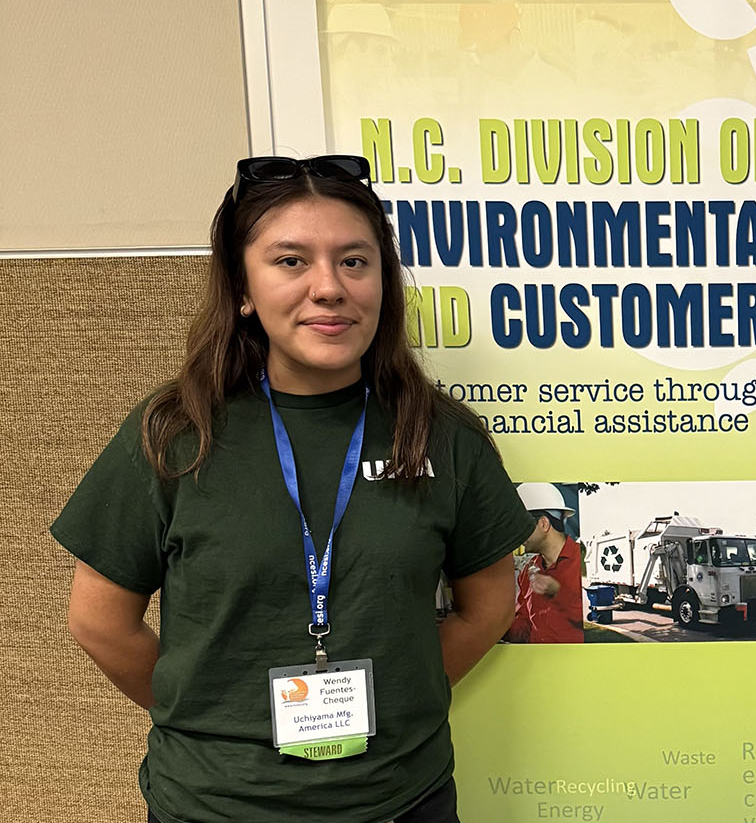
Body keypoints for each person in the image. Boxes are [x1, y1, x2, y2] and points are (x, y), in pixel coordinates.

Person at [53, 155, 539, 823]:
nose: (329, 287)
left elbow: (486, 608)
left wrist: (398, 703)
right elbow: (99, 622)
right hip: (215, 806)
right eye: (291, 261)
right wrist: (213, 715)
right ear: (243, 288)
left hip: (401, 801)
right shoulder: (175, 432)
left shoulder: (440, 435)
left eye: (354, 261)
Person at [503, 482, 584, 644]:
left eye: (520, 526)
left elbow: (591, 618)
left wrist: (558, 592)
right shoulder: (528, 571)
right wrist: (496, 627)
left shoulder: (582, 560)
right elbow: (524, 626)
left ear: (543, 524)